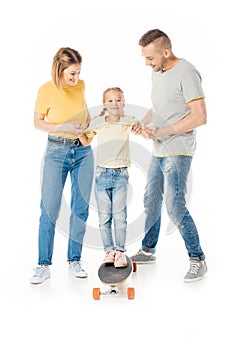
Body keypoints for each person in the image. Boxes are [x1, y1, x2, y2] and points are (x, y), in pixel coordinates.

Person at [130, 29, 208, 282]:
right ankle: (148, 250)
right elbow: (161, 105)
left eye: (150, 58)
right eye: (144, 58)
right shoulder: (158, 73)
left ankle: (197, 259)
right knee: (151, 199)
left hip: (178, 149)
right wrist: (144, 122)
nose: (147, 64)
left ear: (166, 52)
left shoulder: (187, 72)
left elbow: (200, 116)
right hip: (160, 148)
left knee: (175, 206)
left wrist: (165, 130)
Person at [30, 47, 94, 284]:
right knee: (49, 209)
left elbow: (84, 114)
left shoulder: (81, 85)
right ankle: (43, 264)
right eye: (72, 73)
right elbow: (38, 122)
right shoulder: (46, 90)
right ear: (60, 69)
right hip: (56, 151)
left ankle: (74, 260)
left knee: (81, 208)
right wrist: (62, 127)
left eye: (78, 72)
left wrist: (87, 128)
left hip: (83, 151)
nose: (75, 77)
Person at [86, 87, 143, 267]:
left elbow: (139, 128)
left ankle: (120, 251)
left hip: (121, 175)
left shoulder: (129, 120)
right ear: (104, 104)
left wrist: (139, 128)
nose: (114, 103)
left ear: (123, 102)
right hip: (101, 174)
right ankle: (108, 251)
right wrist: (79, 130)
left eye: (118, 99)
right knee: (104, 217)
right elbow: (86, 140)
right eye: (110, 100)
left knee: (120, 216)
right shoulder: (98, 122)